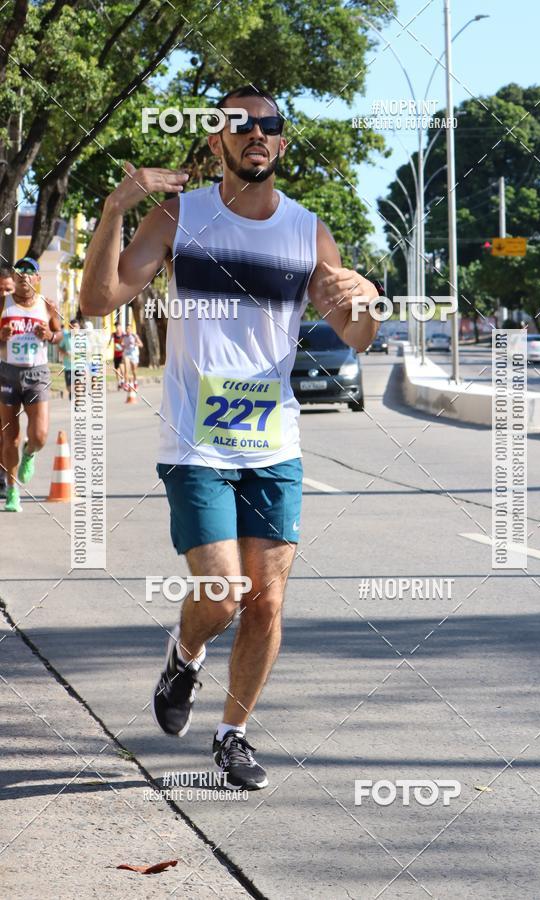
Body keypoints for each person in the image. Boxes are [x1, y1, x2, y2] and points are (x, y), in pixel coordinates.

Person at [79, 85, 378, 789]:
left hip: (275, 446)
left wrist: (363, 303)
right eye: (238, 124)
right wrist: (115, 208)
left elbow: (356, 335)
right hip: (197, 444)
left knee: (267, 601)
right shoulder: (179, 216)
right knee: (222, 594)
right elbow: (98, 300)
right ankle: (185, 656)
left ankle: (233, 733)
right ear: (216, 141)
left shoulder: (308, 232)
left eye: (269, 125)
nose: (255, 134)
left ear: (282, 143)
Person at [0, 257, 62, 512]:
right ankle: (12, 491)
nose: (24, 275)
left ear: (38, 278)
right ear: (14, 278)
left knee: (39, 435)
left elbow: (59, 335)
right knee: (10, 438)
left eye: (30, 271)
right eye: (19, 271)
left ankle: (30, 452)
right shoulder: (3, 303)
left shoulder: (47, 306)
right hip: (7, 373)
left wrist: (49, 335)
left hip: (37, 374)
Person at [0, 266, 15, 499]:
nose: (5, 295)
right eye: (1, 290)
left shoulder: (27, 309)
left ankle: (4, 477)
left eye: (8, 289)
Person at [58, 318, 79, 400]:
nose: (74, 328)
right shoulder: (66, 337)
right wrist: (65, 353)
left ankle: (77, 404)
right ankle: (71, 392)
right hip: (68, 366)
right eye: (72, 327)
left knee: (78, 385)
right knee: (69, 386)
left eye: (76, 326)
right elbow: (59, 348)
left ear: (79, 328)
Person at [122, 324, 143, 391]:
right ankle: (126, 384)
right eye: (126, 329)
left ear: (131, 329)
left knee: (134, 371)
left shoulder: (134, 336)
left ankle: (135, 382)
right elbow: (122, 344)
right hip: (127, 353)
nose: (127, 330)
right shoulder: (124, 336)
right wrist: (122, 345)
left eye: (129, 329)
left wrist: (136, 344)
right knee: (126, 370)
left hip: (134, 354)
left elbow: (141, 345)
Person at [109, 321, 125, 388]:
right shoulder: (113, 334)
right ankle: (119, 382)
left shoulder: (123, 334)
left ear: (120, 327)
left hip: (122, 354)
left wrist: (123, 344)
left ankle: (123, 380)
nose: (117, 328)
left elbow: (126, 342)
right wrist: (108, 343)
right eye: (116, 327)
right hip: (116, 354)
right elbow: (110, 341)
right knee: (116, 369)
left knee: (121, 367)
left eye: (118, 326)